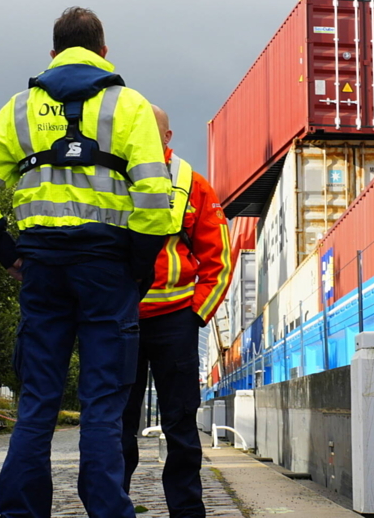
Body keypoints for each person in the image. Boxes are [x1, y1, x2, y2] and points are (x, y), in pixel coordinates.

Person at [0, 7, 173, 518]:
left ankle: (22, 513)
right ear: (104, 52)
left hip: (42, 269)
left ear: (53, 54)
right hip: (108, 268)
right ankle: (107, 511)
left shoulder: (19, 109)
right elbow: (154, 199)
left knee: (36, 403)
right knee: (102, 405)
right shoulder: (132, 107)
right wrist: (137, 266)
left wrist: (9, 254)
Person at [121, 106, 233, 518]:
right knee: (116, 425)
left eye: (155, 134)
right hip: (122, 321)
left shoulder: (192, 184)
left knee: (181, 425)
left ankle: (187, 511)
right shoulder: (112, 178)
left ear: (168, 138)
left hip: (175, 321)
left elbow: (218, 258)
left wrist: (195, 315)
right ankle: (114, 506)